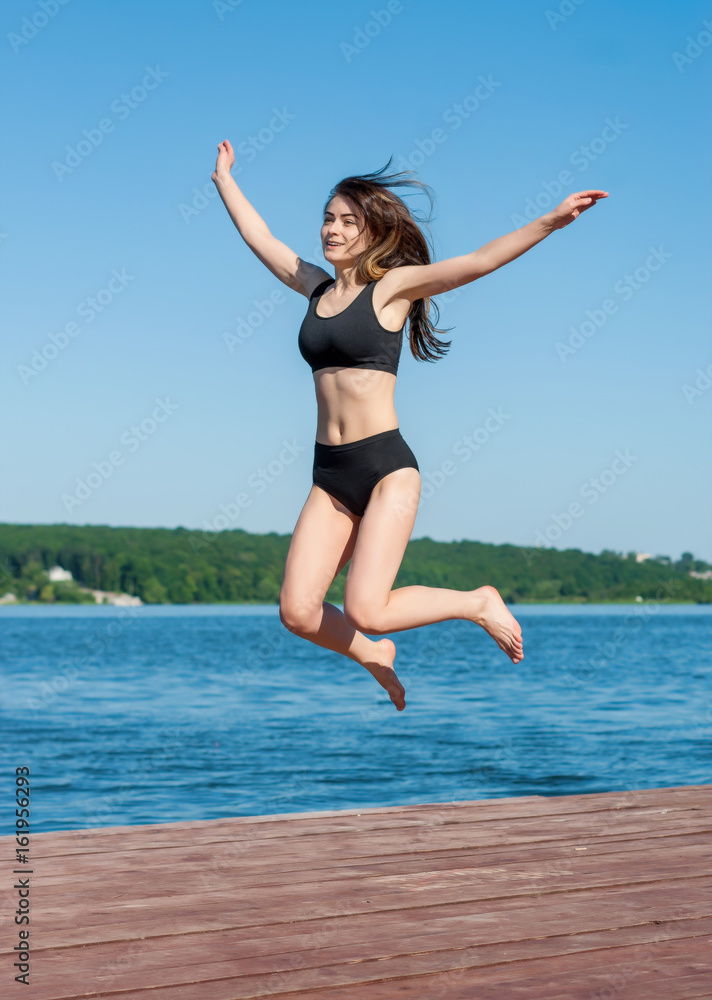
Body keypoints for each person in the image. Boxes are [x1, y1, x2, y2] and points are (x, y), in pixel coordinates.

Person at [212, 139, 608, 711]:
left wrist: (549, 221)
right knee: (298, 612)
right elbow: (261, 240)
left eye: (349, 221)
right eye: (328, 218)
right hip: (329, 474)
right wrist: (225, 180)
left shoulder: (391, 290)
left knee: (367, 608)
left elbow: (475, 263)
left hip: (384, 469)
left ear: (372, 233)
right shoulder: (315, 288)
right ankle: (374, 655)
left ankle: (477, 602)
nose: (334, 229)